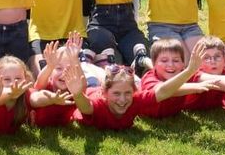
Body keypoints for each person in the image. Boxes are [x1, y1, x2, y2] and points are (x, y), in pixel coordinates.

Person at [70, 42, 214, 129]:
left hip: (110, 81)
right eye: (116, 94)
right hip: (91, 86)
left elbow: (163, 91)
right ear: (105, 93)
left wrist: (189, 71)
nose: (122, 100)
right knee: (89, 76)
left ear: (134, 91)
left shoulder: (136, 100)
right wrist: (77, 93)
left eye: (127, 93)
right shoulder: (99, 101)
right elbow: (86, 108)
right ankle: (86, 59)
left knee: (107, 72)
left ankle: (104, 62)